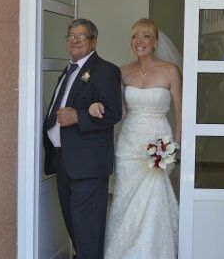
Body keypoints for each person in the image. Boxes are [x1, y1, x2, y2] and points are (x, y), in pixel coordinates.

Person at [89, 18, 182, 258]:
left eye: (145, 36)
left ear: (155, 41)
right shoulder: (122, 72)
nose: (139, 41)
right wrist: (96, 105)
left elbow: (182, 115)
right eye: (134, 36)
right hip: (129, 144)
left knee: (154, 198)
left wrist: (177, 147)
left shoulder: (170, 71)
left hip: (159, 142)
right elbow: (117, 111)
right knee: (126, 198)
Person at [43, 18, 122, 259]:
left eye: (81, 36)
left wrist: (77, 116)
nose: (74, 41)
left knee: (88, 230)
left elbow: (113, 112)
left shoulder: (105, 70)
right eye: (71, 37)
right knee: (74, 227)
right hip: (63, 161)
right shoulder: (68, 71)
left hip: (88, 165)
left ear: (93, 41)